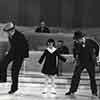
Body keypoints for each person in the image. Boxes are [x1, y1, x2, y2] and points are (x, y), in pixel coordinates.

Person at [65, 31, 99, 97]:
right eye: (75, 39)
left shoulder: (90, 41)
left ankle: (94, 92)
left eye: (77, 39)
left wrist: (95, 56)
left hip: (90, 62)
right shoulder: (76, 43)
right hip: (80, 62)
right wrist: (75, 58)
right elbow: (75, 51)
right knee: (75, 76)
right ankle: (72, 90)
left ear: (81, 38)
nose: (76, 41)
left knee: (92, 77)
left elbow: (97, 47)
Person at [0, 22, 29, 94]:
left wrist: (25, 56)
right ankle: (3, 78)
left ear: (12, 30)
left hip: (20, 54)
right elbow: (13, 45)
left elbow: (26, 46)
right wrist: (8, 52)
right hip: (13, 52)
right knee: (3, 62)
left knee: (14, 71)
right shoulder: (10, 35)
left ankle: (14, 88)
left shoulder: (20, 36)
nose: (7, 33)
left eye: (7, 31)